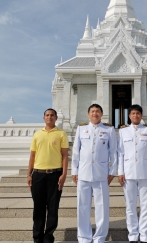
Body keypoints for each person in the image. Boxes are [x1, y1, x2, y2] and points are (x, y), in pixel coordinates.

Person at [71, 103, 117, 243]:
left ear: (102, 114)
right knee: (82, 207)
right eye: (92, 111)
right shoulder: (81, 128)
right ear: (88, 114)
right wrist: (74, 170)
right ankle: (84, 237)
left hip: (101, 173)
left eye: (97, 111)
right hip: (83, 173)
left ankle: (100, 237)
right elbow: (75, 151)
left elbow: (113, 153)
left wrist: (112, 171)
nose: (95, 114)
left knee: (102, 207)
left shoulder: (108, 129)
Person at [27, 108, 69, 243]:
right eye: (47, 115)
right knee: (38, 208)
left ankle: (48, 237)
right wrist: (29, 174)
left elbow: (64, 156)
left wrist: (63, 174)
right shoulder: (37, 134)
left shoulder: (61, 133)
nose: (49, 117)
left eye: (52, 115)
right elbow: (32, 156)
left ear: (56, 118)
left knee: (53, 208)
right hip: (38, 175)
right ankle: (37, 237)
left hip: (55, 175)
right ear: (43, 118)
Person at [118, 104, 147, 243]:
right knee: (130, 206)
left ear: (141, 115)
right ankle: (133, 234)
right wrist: (120, 172)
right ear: (129, 116)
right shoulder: (123, 132)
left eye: (138, 113)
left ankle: (145, 235)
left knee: (145, 205)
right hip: (128, 173)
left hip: (145, 172)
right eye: (133, 113)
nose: (135, 116)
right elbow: (120, 153)